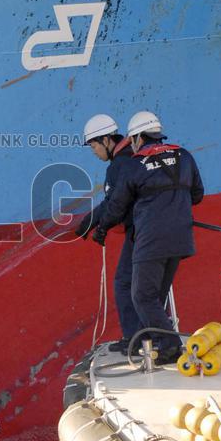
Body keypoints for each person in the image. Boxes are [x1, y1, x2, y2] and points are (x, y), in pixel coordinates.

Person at [90, 110, 204, 362]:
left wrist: (101, 228)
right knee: (156, 296)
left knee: (142, 295)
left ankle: (170, 346)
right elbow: (197, 194)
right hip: (182, 239)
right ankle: (156, 343)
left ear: (137, 138)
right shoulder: (184, 156)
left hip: (150, 240)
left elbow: (117, 205)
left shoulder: (134, 165)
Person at [76, 113, 141, 354]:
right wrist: (91, 221)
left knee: (124, 283)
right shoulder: (132, 156)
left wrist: (96, 225)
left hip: (140, 231)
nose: (93, 151)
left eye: (93, 145)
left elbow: (114, 203)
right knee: (146, 285)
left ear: (106, 140)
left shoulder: (119, 165)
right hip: (149, 228)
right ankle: (150, 336)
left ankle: (135, 338)